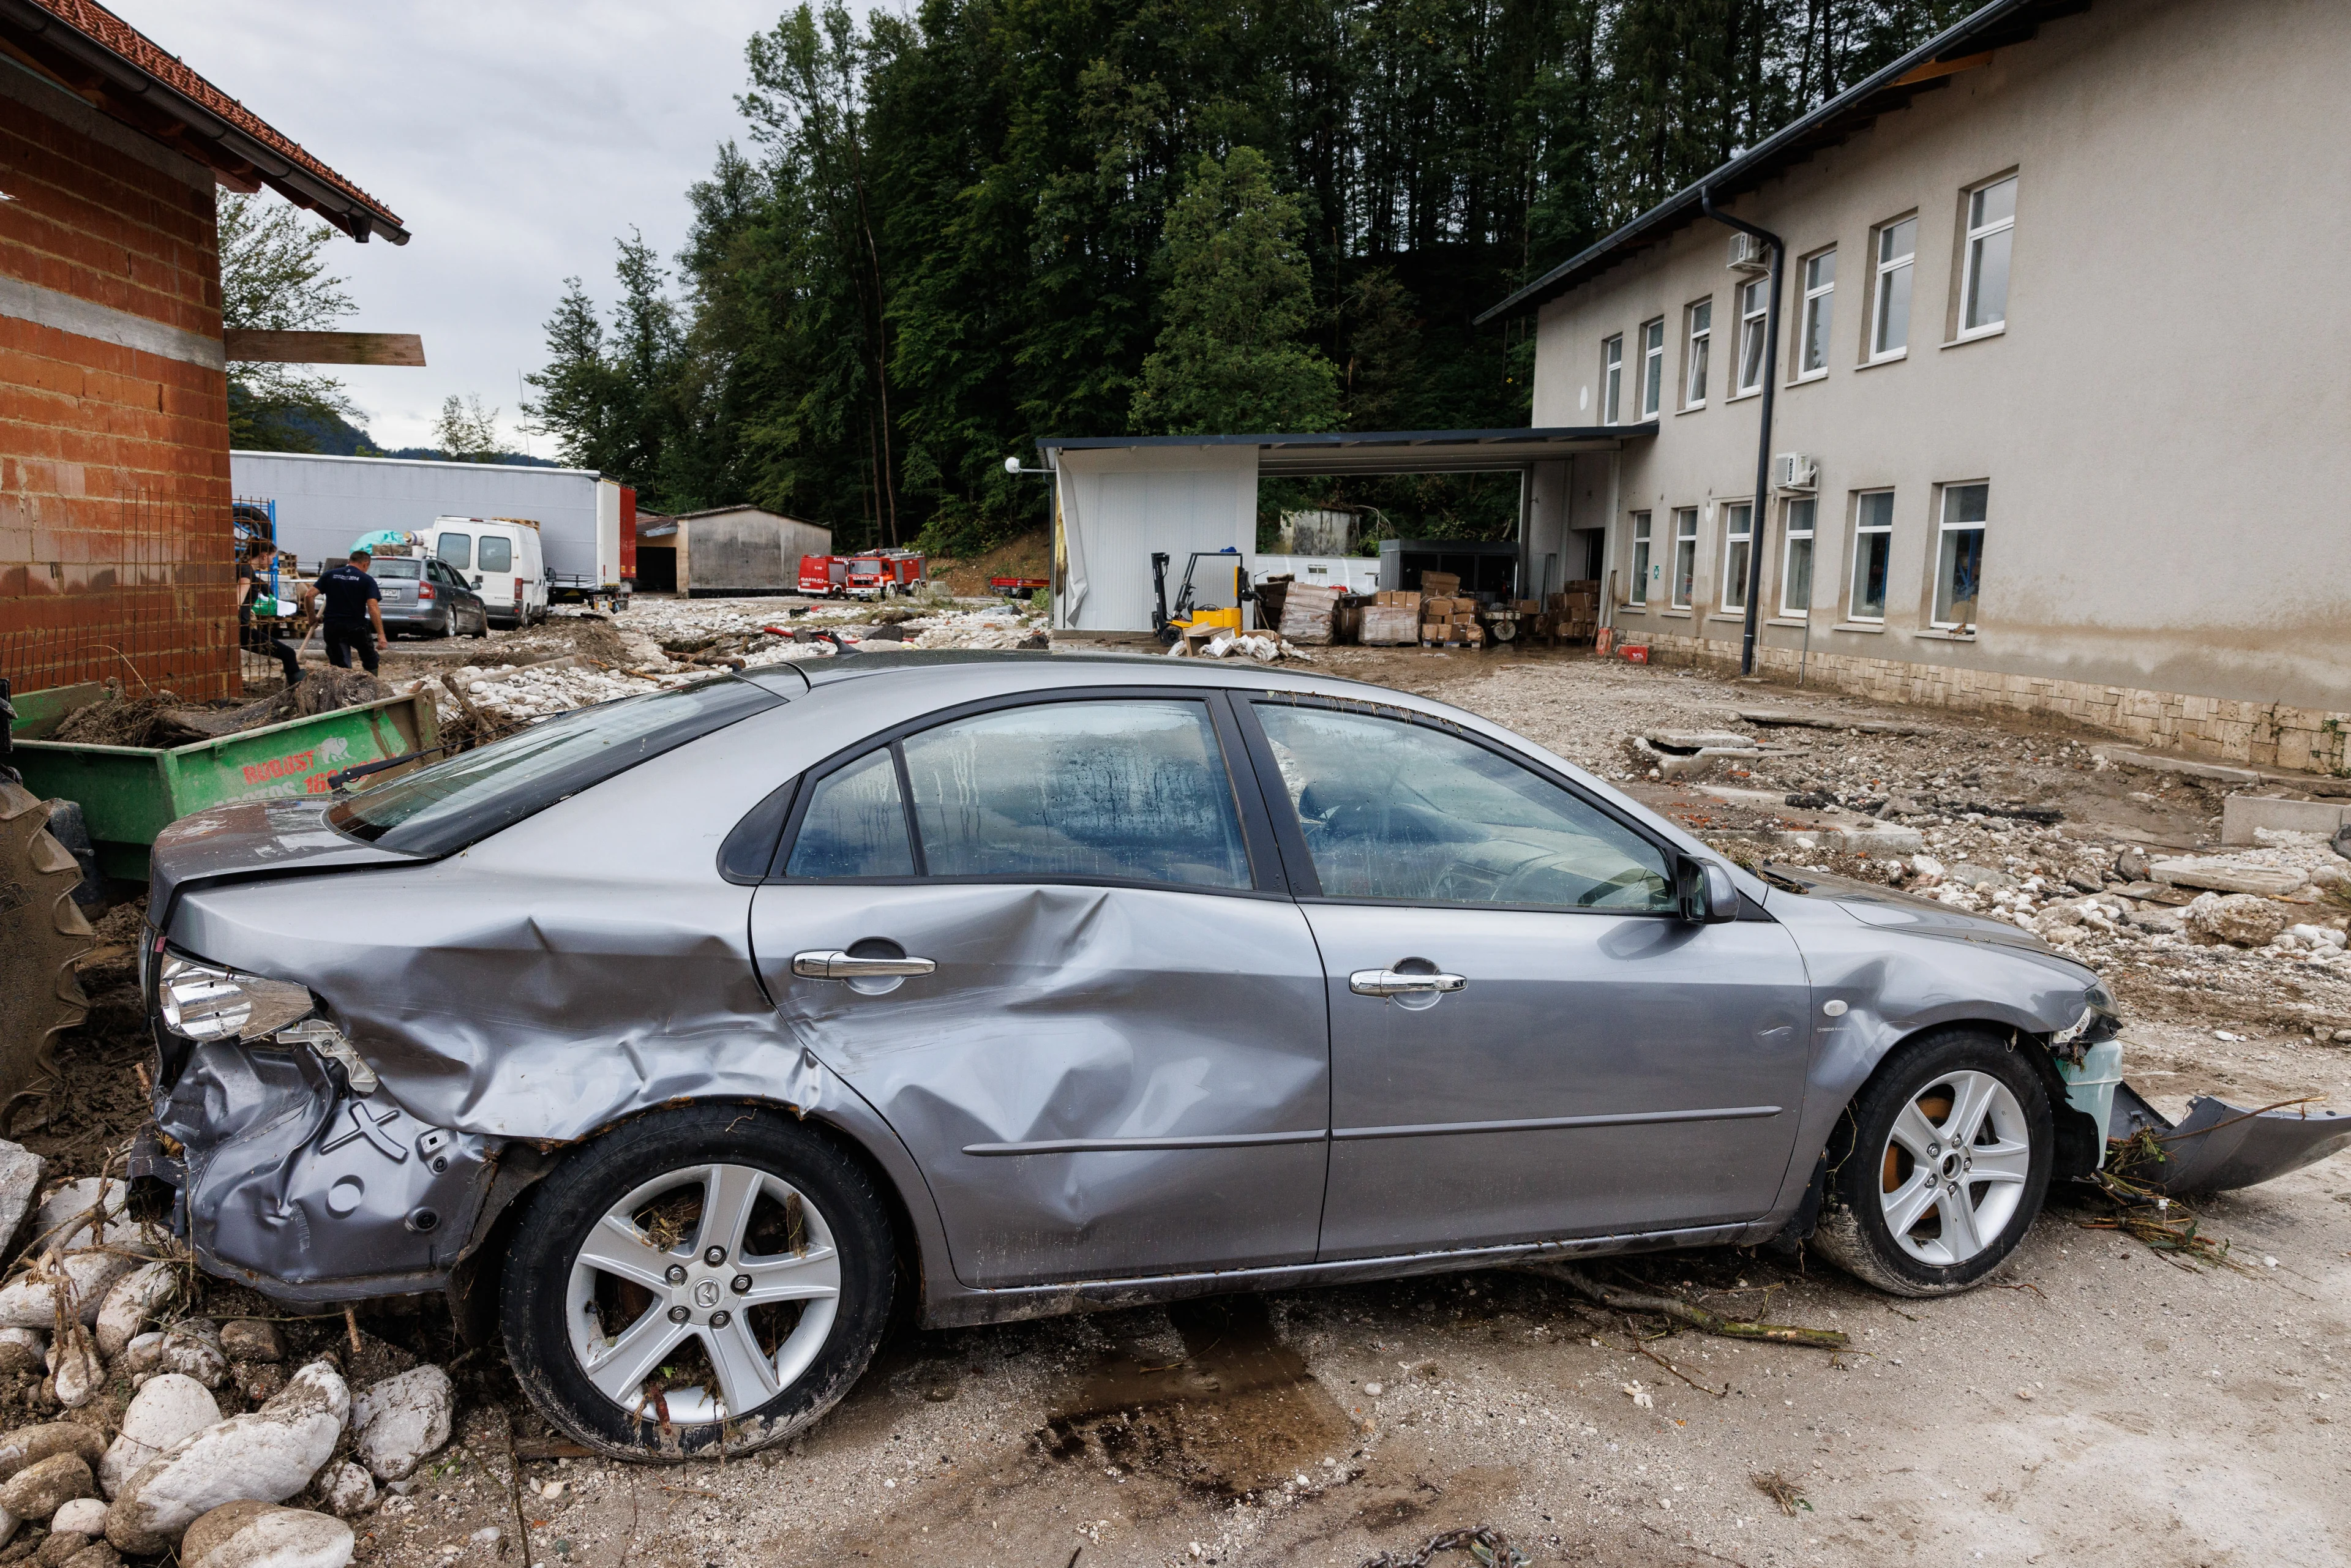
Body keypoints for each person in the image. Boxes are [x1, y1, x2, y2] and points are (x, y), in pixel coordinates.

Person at [312, 547, 387, 674]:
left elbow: (309, 595)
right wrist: (381, 634)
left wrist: (312, 617)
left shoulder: (330, 575)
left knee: (341, 664)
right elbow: (373, 607)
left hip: (333, 627)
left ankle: (342, 689)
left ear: (350, 560)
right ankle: (372, 686)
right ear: (365, 564)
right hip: (356, 627)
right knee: (370, 660)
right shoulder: (366, 580)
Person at [236, 546, 302, 686]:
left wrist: (260, 583)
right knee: (288, 654)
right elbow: (237, 600)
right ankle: (298, 692)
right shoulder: (247, 571)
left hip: (239, 626)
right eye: (273, 557)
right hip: (239, 629)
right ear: (264, 555)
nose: (273, 561)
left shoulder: (245, 569)